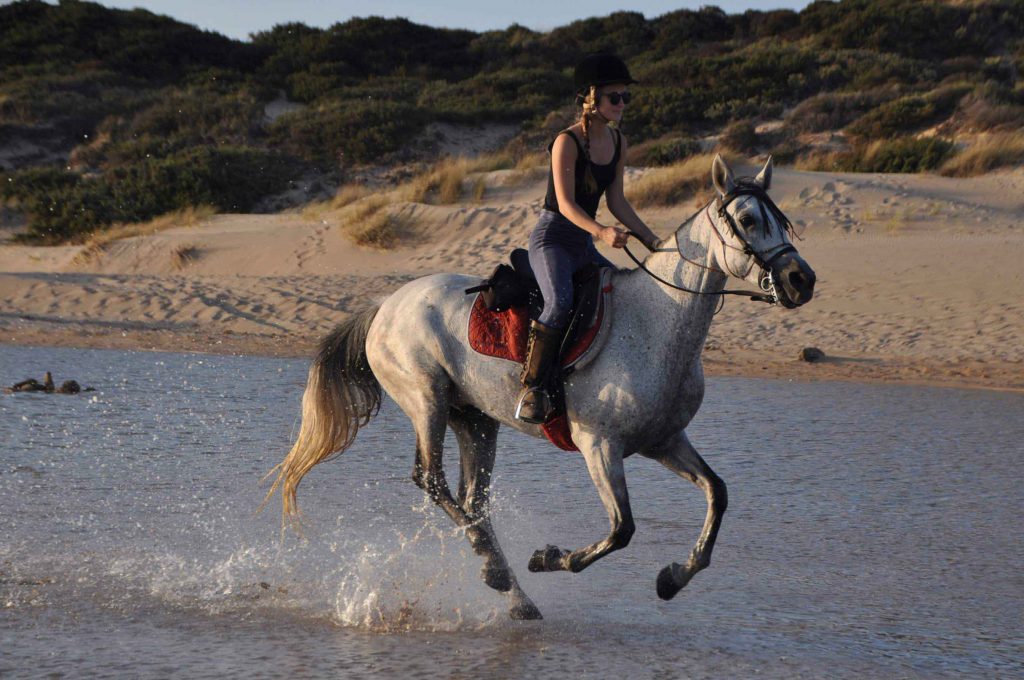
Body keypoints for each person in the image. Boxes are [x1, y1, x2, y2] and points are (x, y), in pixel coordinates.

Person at [516, 53, 660, 424]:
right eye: (615, 97)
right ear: (590, 98)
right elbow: (564, 204)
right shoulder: (567, 142)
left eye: (626, 97)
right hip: (553, 239)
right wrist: (601, 231)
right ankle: (531, 389)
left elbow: (617, 201)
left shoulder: (618, 141)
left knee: (624, 295)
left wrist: (652, 241)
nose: (623, 104)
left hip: (583, 244)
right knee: (560, 303)